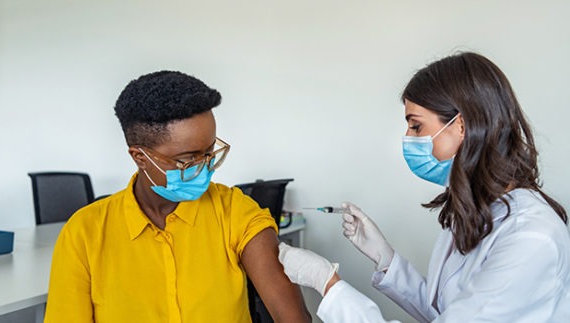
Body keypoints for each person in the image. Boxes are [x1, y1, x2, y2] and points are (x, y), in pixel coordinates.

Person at [279, 52, 570, 322]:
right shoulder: (475, 211)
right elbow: (444, 312)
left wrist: (327, 283)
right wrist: (385, 258)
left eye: (416, 126)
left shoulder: (531, 236)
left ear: (462, 125)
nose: (407, 137)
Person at [44, 71, 311, 323]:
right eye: (187, 159)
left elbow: (293, 318)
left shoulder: (235, 211)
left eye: (209, 151)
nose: (205, 167)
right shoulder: (85, 233)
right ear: (140, 157)